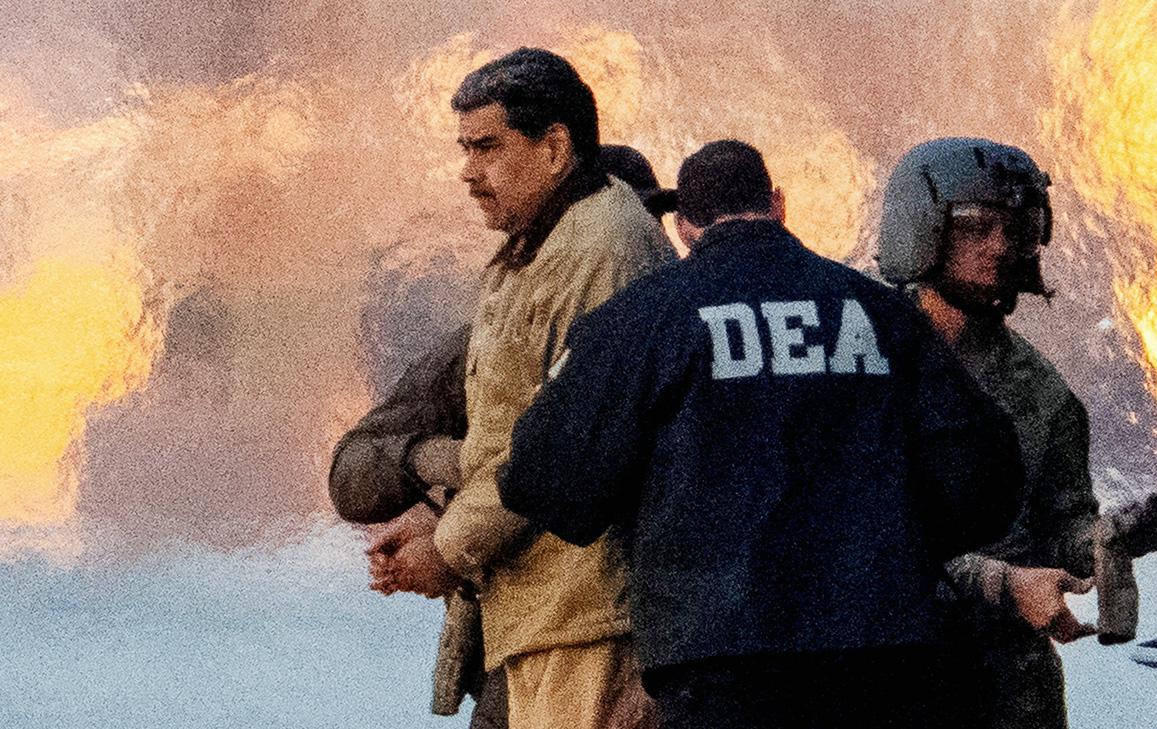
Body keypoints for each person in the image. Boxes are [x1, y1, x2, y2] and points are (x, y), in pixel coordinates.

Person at [497, 140, 1023, 729]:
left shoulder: (639, 320)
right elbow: (987, 480)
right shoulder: (883, 314)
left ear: (684, 227)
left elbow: (542, 481)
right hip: (882, 654)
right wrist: (887, 538)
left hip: (718, 663)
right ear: (777, 205)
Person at [328, 144, 675, 728]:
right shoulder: (490, 340)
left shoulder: (677, 336)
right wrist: (454, 472)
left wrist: (449, 539)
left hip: (621, 636)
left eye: (647, 225)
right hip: (522, 647)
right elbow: (352, 474)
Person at [877, 137, 1102, 729]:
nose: (1000, 247)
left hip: (1008, 686)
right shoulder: (862, 361)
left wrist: (1102, 541)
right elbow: (855, 537)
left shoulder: (1042, 392)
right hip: (886, 675)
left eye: (1017, 229)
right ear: (920, 230)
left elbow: (1061, 522)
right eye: (976, 228)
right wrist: (999, 584)